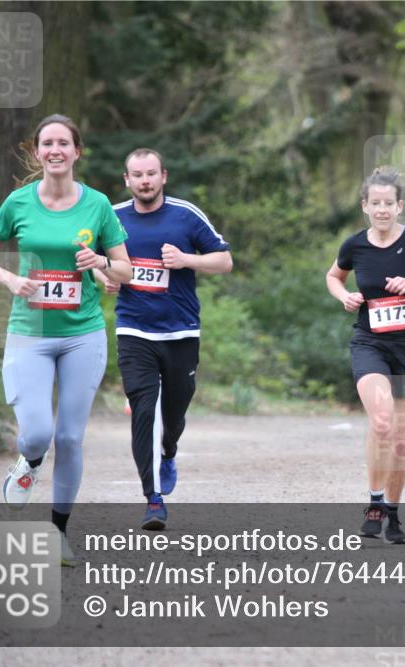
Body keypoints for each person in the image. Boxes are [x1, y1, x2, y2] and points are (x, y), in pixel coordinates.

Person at [0, 114, 131, 566]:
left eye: (64, 143)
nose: (55, 150)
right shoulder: (18, 203)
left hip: (82, 335)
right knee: (38, 433)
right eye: (47, 143)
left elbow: (125, 271)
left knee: (72, 438)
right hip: (30, 333)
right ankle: (30, 462)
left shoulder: (97, 205)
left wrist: (99, 260)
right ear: (37, 153)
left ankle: (58, 531)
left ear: (77, 151)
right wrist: (8, 278)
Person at [94, 148, 231, 530]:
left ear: (163, 176)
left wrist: (188, 260)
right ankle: (153, 499)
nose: (145, 181)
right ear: (126, 180)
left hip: (181, 331)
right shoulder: (114, 217)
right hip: (134, 329)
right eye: (137, 175)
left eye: (151, 173)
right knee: (143, 410)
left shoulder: (186, 215)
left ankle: (169, 450)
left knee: (174, 414)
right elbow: (93, 261)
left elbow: (224, 261)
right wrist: (103, 277)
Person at [325, 166, 405, 544]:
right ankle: (375, 503)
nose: (382, 209)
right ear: (365, 206)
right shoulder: (353, 245)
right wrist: (343, 295)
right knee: (381, 422)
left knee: (400, 438)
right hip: (370, 343)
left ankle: (393, 513)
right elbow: (334, 276)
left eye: (388, 203)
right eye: (374, 203)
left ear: (400, 207)